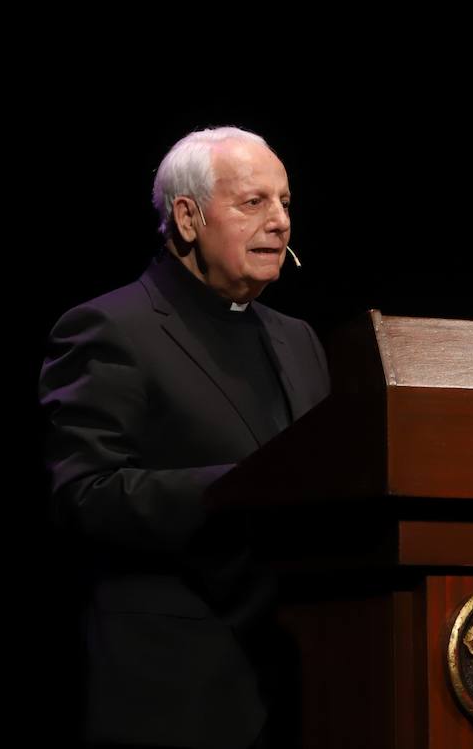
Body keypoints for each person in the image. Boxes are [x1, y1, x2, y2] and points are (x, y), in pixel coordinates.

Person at [39, 127, 330, 748]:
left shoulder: (299, 339)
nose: (280, 222)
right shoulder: (110, 328)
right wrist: (244, 489)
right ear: (188, 217)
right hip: (175, 686)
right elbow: (83, 495)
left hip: (307, 680)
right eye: (253, 203)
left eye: (285, 202)